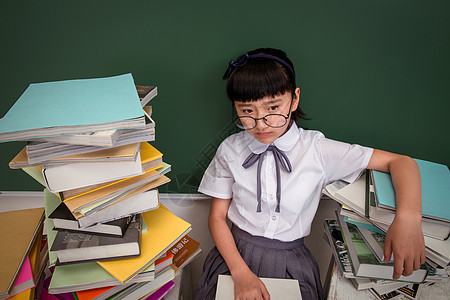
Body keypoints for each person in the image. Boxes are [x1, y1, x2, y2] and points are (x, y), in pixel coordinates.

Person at [193, 48, 425, 300]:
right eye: (247, 111)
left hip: (291, 264)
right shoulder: (230, 149)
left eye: (272, 108)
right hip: (232, 259)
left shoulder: (316, 149)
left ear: (294, 99)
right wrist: (241, 273)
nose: (260, 124)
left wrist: (408, 219)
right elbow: (217, 217)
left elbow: (401, 162)